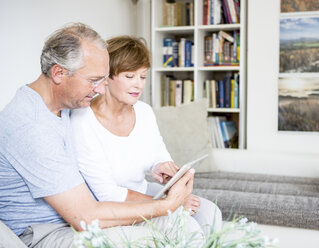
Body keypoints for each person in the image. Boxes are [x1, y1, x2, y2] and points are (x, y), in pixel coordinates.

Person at [0, 23, 200, 248]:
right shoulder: (32, 125)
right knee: (155, 236)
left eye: (103, 80)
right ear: (58, 73)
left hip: (75, 221)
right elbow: (85, 216)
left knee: (184, 227)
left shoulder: (62, 107)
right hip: (46, 232)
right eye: (93, 80)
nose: (101, 90)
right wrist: (167, 205)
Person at [70, 35, 222, 235]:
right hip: (111, 206)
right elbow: (107, 193)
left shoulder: (143, 111)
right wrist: (168, 204)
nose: (139, 85)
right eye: (130, 76)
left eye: (142, 77)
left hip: (142, 192)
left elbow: (158, 154)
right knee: (184, 224)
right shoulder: (83, 120)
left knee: (210, 212)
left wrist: (162, 166)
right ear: (106, 77)